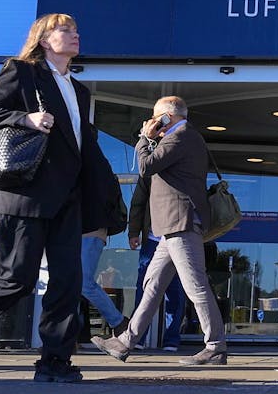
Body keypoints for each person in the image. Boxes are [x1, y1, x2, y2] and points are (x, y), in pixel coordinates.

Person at [0, 13, 109, 383]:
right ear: (45, 39)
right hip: (24, 193)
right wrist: (26, 120)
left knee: (68, 282)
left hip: (68, 197)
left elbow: (81, 147)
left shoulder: (78, 89)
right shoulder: (22, 71)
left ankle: (54, 362)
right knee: (17, 278)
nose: (75, 35)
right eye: (66, 30)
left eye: (77, 30)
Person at [92, 96, 228, 365]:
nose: (153, 123)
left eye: (156, 118)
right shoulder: (180, 137)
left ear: (168, 116)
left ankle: (215, 347)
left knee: (195, 285)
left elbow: (145, 167)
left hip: (181, 222)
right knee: (152, 284)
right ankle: (125, 341)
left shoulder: (182, 136)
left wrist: (144, 137)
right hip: (171, 225)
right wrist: (152, 140)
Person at [127, 175, 186, 351]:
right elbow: (138, 203)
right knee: (145, 289)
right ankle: (138, 337)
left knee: (175, 291)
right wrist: (133, 232)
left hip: (177, 235)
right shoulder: (149, 171)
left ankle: (171, 339)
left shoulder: (184, 167)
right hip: (153, 239)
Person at [80, 142, 129, 340]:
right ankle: (68, 336)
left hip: (91, 229)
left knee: (83, 282)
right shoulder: (90, 165)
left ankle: (118, 322)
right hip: (79, 230)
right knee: (70, 284)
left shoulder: (95, 167)